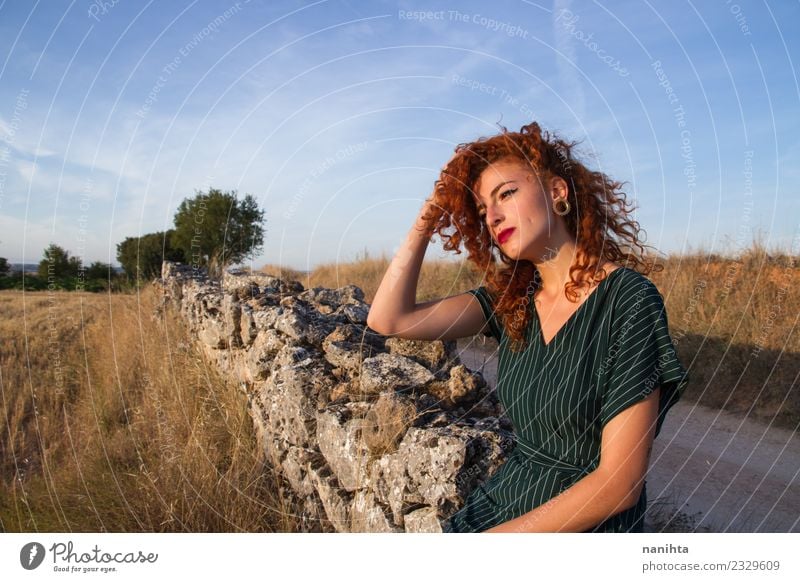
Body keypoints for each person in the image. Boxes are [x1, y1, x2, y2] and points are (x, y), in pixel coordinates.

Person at [366, 121, 689, 533]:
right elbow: (388, 318)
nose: (493, 216)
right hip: (505, 503)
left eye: (507, 194)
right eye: (483, 211)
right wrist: (428, 216)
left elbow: (619, 484)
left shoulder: (628, 300)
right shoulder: (511, 303)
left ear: (557, 191)